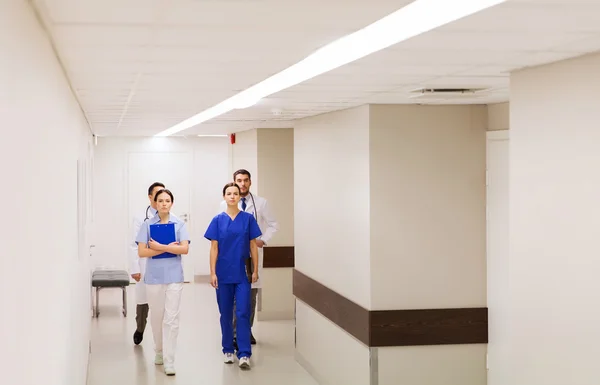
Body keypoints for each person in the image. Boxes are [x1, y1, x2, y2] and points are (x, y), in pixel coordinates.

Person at [219, 169, 278, 346]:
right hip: (231, 257)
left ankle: (245, 330)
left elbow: (274, 225)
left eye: (246, 180)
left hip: (252, 256)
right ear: (234, 182)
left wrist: (263, 240)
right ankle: (236, 333)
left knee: (250, 297)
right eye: (239, 180)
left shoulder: (261, 203)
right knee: (234, 297)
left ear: (250, 182)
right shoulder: (223, 205)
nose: (243, 183)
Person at [206, 182, 261, 369]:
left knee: (243, 312)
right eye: (228, 193)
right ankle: (228, 349)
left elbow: (253, 246)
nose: (232, 196)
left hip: (242, 273)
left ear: (239, 196)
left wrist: (255, 270)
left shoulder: (248, 219)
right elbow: (213, 248)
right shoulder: (217, 220)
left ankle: (244, 353)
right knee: (225, 313)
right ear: (224, 197)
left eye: (235, 193)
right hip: (223, 273)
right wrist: (212, 272)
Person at [136, 188, 190, 376]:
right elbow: (142, 252)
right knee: (157, 316)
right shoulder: (147, 225)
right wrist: (166, 248)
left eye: (168, 200)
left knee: (172, 318)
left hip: (174, 277)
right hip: (154, 277)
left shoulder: (179, 224)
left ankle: (170, 360)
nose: (164, 203)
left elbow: (184, 249)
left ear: (171, 203)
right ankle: (159, 350)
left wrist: (159, 246)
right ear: (155, 203)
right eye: (161, 201)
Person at [130, 181, 165, 345]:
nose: (160, 198)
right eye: (157, 194)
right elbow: (133, 244)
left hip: (164, 264)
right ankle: (140, 328)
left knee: (163, 302)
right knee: (143, 301)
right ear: (150, 196)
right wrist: (135, 267)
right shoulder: (140, 217)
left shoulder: (169, 216)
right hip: (145, 263)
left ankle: (161, 336)